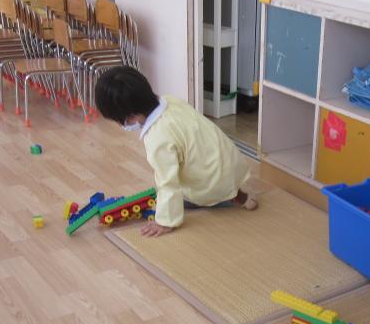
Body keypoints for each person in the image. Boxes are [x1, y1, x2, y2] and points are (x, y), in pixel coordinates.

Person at [94, 66, 257, 237]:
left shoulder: (158, 137)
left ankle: (221, 197)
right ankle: (237, 194)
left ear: (132, 116)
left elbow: (168, 182)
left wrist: (164, 221)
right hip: (232, 164)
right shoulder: (171, 101)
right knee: (200, 164)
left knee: (173, 194)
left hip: (212, 182)